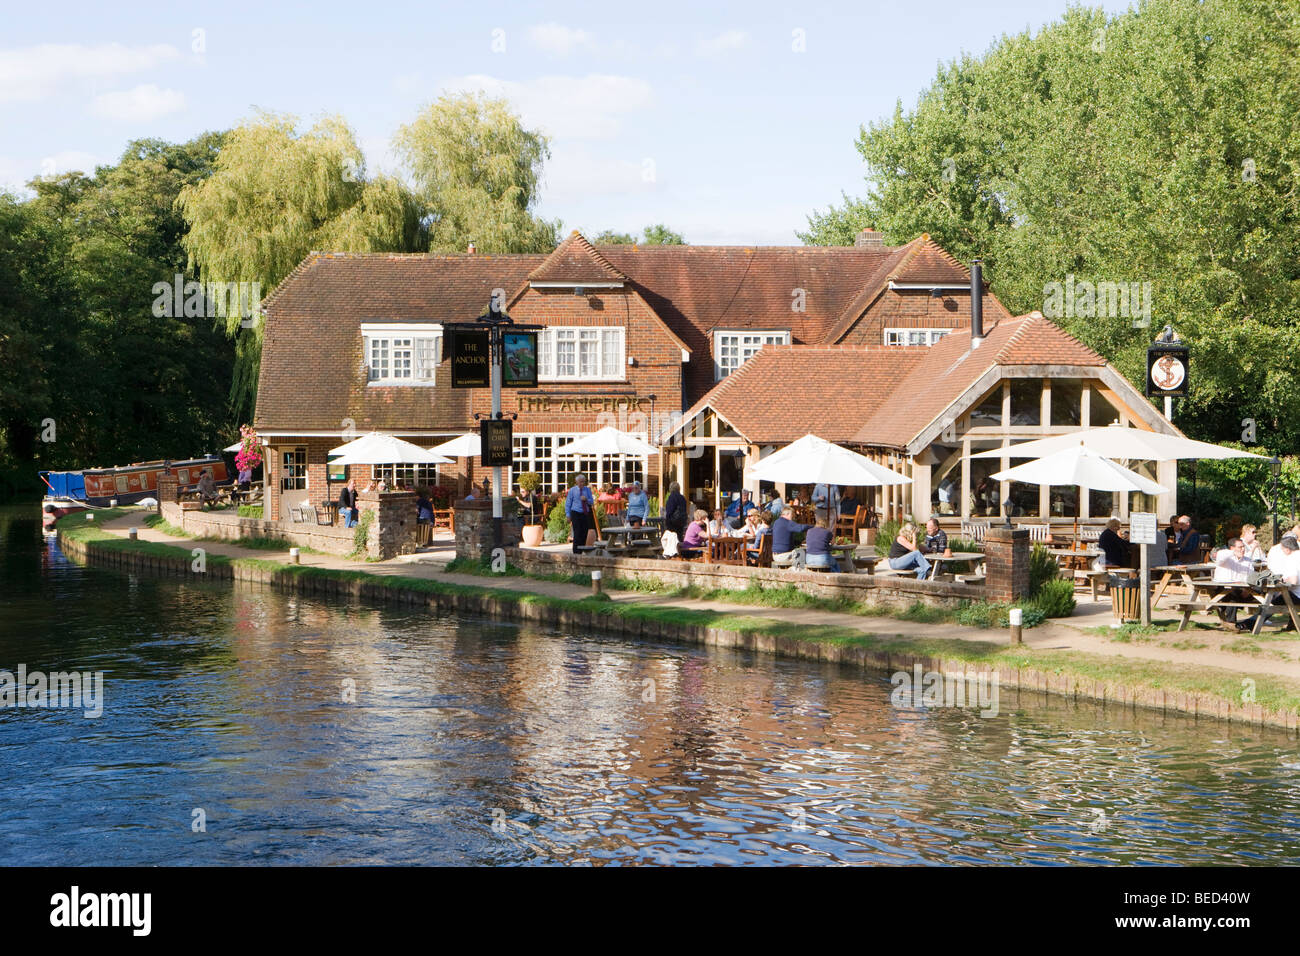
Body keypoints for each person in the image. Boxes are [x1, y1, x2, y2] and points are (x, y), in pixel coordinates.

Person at [1240, 535, 1300, 632]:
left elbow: (1293, 581)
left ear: (1287, 549)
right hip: (1296, 595)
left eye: (1282, 549)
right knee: (1275, 600)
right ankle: (1249, 623)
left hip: (1296, 596)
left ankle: (1249, 624)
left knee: (1269, 605)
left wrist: (1283, 580)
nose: (1283, 552)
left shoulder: (1291, 559)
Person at [1211, 537, 1255, 624]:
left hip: (1242, 590)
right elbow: (1220, 555)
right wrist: (1234, 552)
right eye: (1240, 547)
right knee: (1232, 595)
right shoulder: (1224, 558)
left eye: (1243, 547)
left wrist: (1249, 588)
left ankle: (1255, 621)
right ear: (1232, 548)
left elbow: (1252, 576)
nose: (1242, 549)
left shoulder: (1247, 560)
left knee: (1262, 591)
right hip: (1223, 590)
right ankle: (1231, 623)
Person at [565, 473, 595, 554]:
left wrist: (586, 500)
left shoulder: (587, 490)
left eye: (583, 482)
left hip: (585, 513)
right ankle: (576, 551)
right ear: (577, 482)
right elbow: (568, 503)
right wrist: (568, 515)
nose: (582, 483)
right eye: (580, 482)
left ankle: (581, 550)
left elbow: (591, 502)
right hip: (576, 512)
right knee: (577, 532)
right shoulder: (572, 490)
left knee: (584, 532)